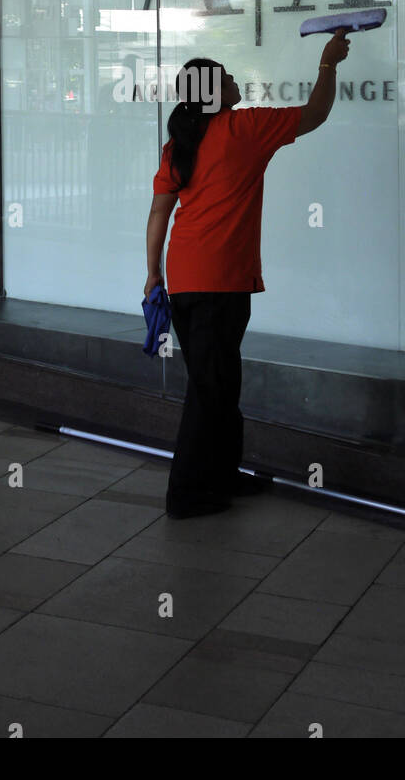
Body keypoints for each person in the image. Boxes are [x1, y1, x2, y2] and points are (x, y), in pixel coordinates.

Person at [145, 32, 351, 518]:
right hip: (220, 283)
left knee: (219, 381)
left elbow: (159, 214)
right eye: (228, 76)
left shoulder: (179, 146)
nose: (237, 80)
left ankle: (222, 475)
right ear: (216, 92)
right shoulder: (245, 129)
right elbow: (315, 113)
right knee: (209, 391)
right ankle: (187, 496)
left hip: (185, 279)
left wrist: (152, 276)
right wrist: (327, 65)